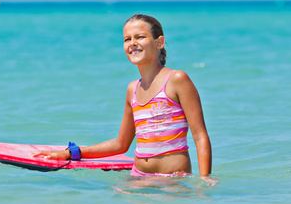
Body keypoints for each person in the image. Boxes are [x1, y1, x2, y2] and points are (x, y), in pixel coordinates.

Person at [33, 14, 215, 183]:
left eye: (140, 37)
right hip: (138, 178)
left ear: (159, 42)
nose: (133, 43)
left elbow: (200, 136)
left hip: (173, 179)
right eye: (127, 39)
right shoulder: (132, 89)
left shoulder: (177, 80)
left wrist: (204, 179)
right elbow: (121, 144)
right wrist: (73, 152)